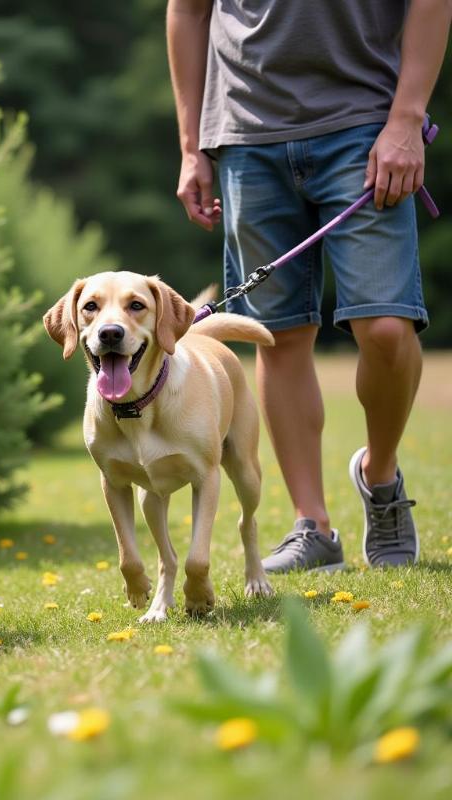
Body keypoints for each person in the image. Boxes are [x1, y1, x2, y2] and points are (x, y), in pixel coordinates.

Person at [166, 0, 452, 572]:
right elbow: (189, 12)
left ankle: (380, 474)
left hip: (367, 126)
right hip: (246, 136)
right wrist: (191, 146)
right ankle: (312, 525)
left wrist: (406, 120)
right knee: (279, 335)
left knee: (388, 328)